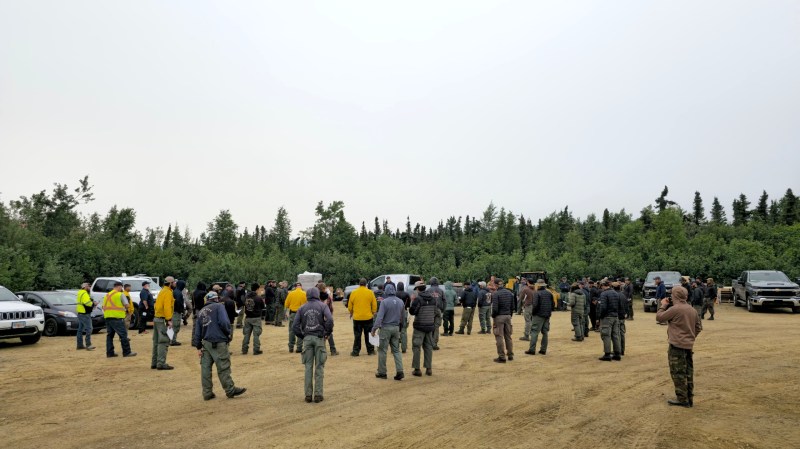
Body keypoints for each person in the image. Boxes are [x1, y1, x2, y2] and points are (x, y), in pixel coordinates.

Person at [192, 291, 246, 401]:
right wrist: (227, 334)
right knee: (223, 367)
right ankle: (230, 390)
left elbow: (197, 332)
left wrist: (198, 346)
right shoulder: (219, 307)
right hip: (219, 341)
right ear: (217, 299)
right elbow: (224, 322)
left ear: (207, 300)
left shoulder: (201, 311)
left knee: (205, 369)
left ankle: (207, 393)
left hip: (206, 343)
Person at [656, 285, 702, 407]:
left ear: (675, 296)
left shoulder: (675, 309)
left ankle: (682, 399)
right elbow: (698, 328)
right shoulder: (692, 309)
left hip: (676, 345)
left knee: (678, 372)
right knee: (688, 371)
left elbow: (659, 317)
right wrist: (689, 337)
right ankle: (689, 397)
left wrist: (663, 305)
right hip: (688, 345)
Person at [293, 287, 334, 403]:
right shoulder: (322, 306)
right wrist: (327, 333)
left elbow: (295, 326)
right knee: (319, 367)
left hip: (307, 339)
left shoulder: (302, 308)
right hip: (319, 338)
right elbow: (330, 319)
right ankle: (318, 394)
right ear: (317, 295)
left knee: (308, 367)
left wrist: (302, 336)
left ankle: (308, 395)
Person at [371, 283, 405, 380]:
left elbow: (379, 318)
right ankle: (400, 371)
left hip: (385, 329)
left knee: (382, 351)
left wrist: (374, 329)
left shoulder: (384, 302)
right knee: (396, 351)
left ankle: (382, 372)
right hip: (396, 328)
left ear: (386, 291)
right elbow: (403, 317)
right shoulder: (400, 302)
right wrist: (400, 328)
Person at [409, 281, 436, 376]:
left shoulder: (418, 299)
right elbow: (436, 311)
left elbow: (412, 312)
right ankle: (429, 368)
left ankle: (417, 369)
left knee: (417, 347)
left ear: (417, 289)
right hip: (429, 326)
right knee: (428, 347)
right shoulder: (433, 299)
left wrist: (412, 301)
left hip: (419, 326)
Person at [103, 281, 136, 358]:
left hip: (108, 317)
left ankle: (110, 353)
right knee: (123, 335)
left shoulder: (107, 295)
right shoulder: (120, 294)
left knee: (110, 336)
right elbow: (127, 305)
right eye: (121, 287)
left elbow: (103, 306)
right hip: (117, 318)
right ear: (119, 287)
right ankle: (127, 352)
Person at [347, 278, 377, 356]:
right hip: (368, 318)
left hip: (357, 318)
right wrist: (373, 312)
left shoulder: (353, 292)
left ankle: (356, 352)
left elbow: (350, 305)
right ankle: (370, 351)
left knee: (357, 335)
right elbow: (374, 304)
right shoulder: (370, 292)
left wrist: (351, 312)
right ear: (366, 284)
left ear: (359, 284)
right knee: (368, 335)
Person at [597, 281, 625, 361]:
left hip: (607, 317)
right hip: (615, 317)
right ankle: (617, 353)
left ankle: (607, 354)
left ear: (603, 286)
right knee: (615, 335)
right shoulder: (616, 293)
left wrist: (600, 317)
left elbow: (603, 307)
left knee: (606, 335)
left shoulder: (604, 294)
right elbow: (620, 306)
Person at [152, 276, 175, 370]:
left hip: (157, 318)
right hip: (163, 320)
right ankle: (161, 363)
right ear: (170, 283)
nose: (175, 284)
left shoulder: (162, 291)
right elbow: (167, 307)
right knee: (163, 341)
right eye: (174, 282)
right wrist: (169, 320)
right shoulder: (168, 292)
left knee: (156, 342)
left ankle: (154, 362)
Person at [525, 279, 553, 356]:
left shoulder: (537, 294)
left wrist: (533, 314)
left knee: (534, 332)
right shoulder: (549, 293)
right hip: (547, 315)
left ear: (539, 285)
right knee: (545, 333)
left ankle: (532, 350)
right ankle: (543, 350)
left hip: (538, 315)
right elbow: (553, 305)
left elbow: (535, 305)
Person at [491, 279, 515, 363]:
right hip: (508, 316)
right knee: (508, 336)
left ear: (496, 285)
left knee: (499, 336)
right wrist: (509, 315)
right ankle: (510, 355)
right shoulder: (510, 293)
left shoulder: (496, 294)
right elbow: (513, 307)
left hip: (499, 317)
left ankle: (502, 356)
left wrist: (493, 316)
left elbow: (495, 308)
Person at [241, 283, 265, 355]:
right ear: (257, 289)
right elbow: (262, 306)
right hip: (256, 318)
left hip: (248, 317)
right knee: (256, 335)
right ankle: (256, 349)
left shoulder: (246, 297)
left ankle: (244, 349)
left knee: (246, 335)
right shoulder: (258, 298)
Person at [285, 282, 307, 353]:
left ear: (294, 287)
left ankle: (291, 347)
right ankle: (299, 348)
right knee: (300, 330)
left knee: (291, 330)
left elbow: (286, 304)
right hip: (302, 314)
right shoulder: (304, 293)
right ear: (301, 286)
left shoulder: (291, 293)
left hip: (293, 314)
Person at [318, 282, 338, 355]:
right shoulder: (328, 297)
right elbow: (331, 308)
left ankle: (322, 351)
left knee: (320, 334)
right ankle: (333, 350)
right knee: (329, 333)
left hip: (319, 318)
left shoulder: (316, 298)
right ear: (324, 288)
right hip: (327, 317)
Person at [75, 282, 96, 350]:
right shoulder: (84, 293)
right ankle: (88, 345)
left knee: (80, 330)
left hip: (81, 312)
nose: (89, 288)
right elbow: (87, 303)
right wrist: (93, 304)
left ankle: (80, 345)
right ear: (85, 287)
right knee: (89, 328)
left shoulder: (80, 292)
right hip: (85, 313)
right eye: (89, 287)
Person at [427, 277, 446, 350]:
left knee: (430, 326)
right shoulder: (441, 290)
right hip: (438, 310)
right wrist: (443, 310)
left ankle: (429, 343)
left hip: (430, 310)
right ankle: (435, 343)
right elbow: (445, 301)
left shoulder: (428, 290)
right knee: (436, 327)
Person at [395, 281, 412, 352]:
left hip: (395, 313)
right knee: (404, 331)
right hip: (404, 312)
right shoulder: (407, 294)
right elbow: (408, 305)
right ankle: (404, 348)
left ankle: (395, 348)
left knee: (395, 331)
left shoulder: (394, 294)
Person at [171, 279, 186, 345]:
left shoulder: (175, 291)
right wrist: (182, 310)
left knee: (173, 326)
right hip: (176, 312)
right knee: (175, 327)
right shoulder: (178, 293)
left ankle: (171, 340)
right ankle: (173, 341)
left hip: (174, 311)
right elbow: (178, 303)